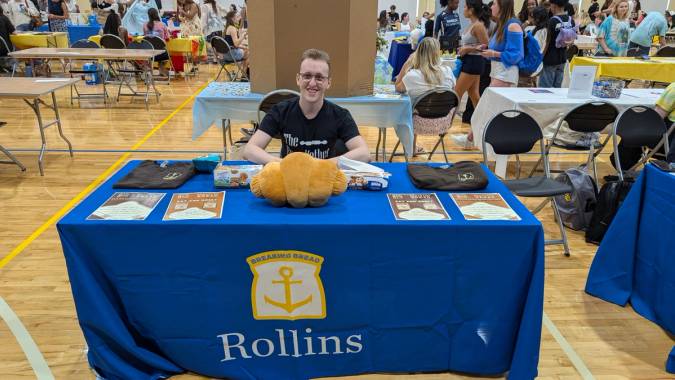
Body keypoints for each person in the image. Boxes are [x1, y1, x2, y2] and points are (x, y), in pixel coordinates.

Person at [243, 49, 370, 164]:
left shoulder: (340, 115)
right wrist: (282, 164)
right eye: (307, 76)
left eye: (319, 78)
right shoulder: (280, 111)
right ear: (298, 79)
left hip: (323, 179)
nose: (312, 83)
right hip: (289, 179)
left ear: (328, 82)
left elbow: (364, 153)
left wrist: (323, 165)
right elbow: (249, 150)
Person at [481, 0, 524, 87]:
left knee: (489, 99)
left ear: (502, 6)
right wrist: (487, 48)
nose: (491, 7)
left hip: (506, 72)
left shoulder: (513, 25)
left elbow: (517, 54)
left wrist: (493, 53)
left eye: (493, 4)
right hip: (496, 71)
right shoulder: (500, 24)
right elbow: (500, 47)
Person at [538, 0, 574, 88]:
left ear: (554, 6)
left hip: (550, 58)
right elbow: (572, 38)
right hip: (562, 58)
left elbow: (547, 41)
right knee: (557, 88)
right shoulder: (570, 20)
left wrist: (541, 56)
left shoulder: (552, 21)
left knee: (545, 89)